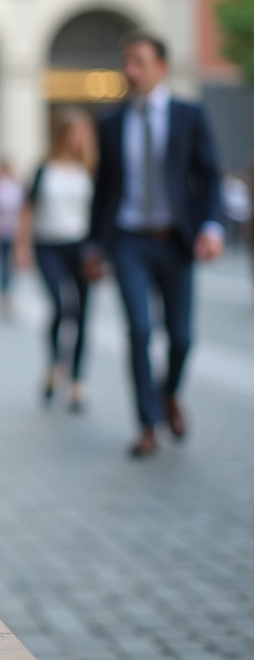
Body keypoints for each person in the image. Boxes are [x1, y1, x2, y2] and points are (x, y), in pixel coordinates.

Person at [84, 30, 225, 458]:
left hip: (176, 240)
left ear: (161, 67)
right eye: (126, 62)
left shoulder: (189, 115)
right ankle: (147, 424)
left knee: (181, 337)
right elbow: (104, 188)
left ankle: (168, 394)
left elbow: (210, 175)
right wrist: (94, 246)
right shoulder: (110, 123)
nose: (130, 71)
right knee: (139, 331)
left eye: (139, 62)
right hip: (129, 241)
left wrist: (212, 227)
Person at [15, 108, 96, 411]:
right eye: (75, 133)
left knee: (83, 313)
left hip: (81, 246)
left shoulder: (90, 169)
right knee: (60, 307)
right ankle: (53, 366)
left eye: (84, 134)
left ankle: (77, 381)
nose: (80, 140)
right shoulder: (44, 169)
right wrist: (21, 247)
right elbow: (28, 210)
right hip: (48, 245)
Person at [0, 160, 24, 317]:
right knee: (1, 265)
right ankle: (2, 294)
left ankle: (8, 294)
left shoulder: (16, 187)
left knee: (11, 266)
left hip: (13, 232)